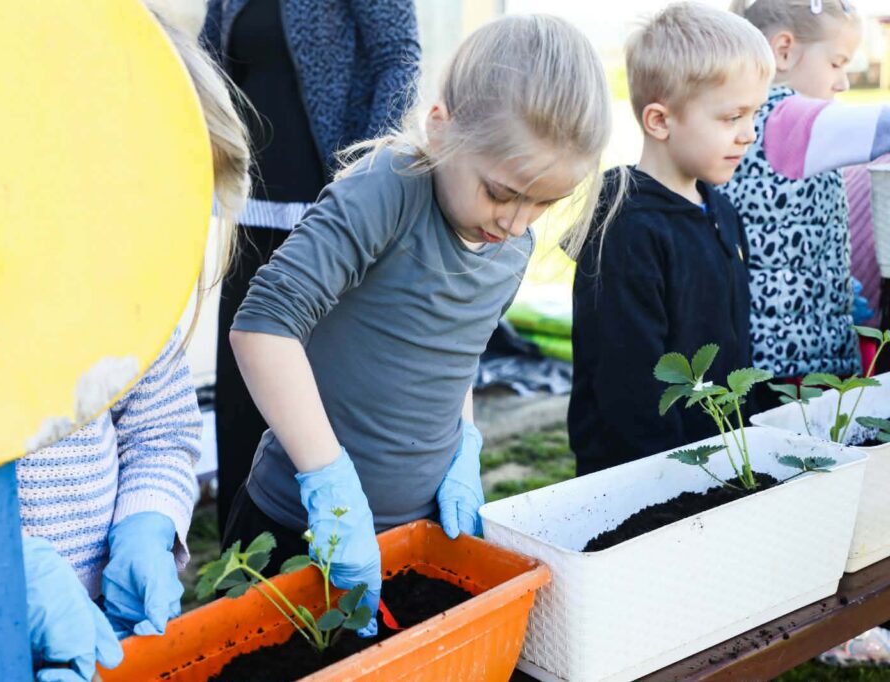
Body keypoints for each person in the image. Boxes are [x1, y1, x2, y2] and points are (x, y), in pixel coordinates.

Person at [224, 13, 622, 636]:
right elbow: (262, 326)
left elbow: (457, 358)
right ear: (441, 127)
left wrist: (466, 444)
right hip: (298, 528)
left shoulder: (510, 247)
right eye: (500, 192)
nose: (517, 222)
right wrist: (328, 482)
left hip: (418, 538)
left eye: (545, 202)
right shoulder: (388, 190)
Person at [19, 7, 252, 680]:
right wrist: (1, 567)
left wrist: (146, 524)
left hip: (97, 621)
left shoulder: (133, 290)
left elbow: (161, 430)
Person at [201, 0, 421, 534]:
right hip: (251, 204)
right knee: (242, 388)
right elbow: (206, 62)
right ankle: (245, 555)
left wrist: (365, 177)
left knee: (317, 385)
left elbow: (399, 58)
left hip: (330, 211)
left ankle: (335, 541)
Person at [570, 2, 774, 474]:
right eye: (732, 117)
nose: (749, 134)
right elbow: (627, 382)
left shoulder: (721, 210)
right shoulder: (624, 230)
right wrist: (674, 476)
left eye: (755, 114)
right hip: (645, 477)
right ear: (660, 121)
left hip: (722, 459)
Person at [722, 0, 890, 409]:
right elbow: (882, 129)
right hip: (796, 358)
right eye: (836, 63)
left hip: (765, 349)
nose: (844, 82)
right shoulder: (785, 117)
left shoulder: (744, 119)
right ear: (784, 51)